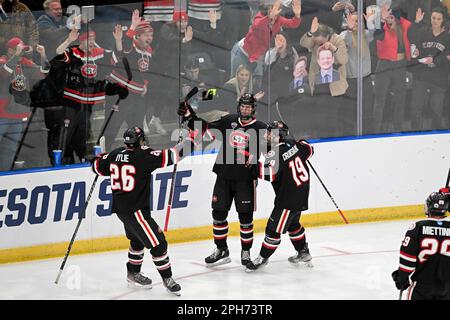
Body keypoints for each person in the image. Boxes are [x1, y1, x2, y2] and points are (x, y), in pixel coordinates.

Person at [91, 126, 198, 295]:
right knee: (159, 243)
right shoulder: (143, 156)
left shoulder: (114, 154)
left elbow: (96, 167)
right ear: (140, 140)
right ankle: (167, 278)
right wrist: (191, 141)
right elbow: (173, 156)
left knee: (137, 240)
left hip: (121, 209)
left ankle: (133, 272)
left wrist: (98, 156)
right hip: (136, 210)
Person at [178, 93, 267, 267]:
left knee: (245, 218)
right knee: (218, 214)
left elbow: (271, 149)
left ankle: (246, 251)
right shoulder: (229, 121)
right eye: (243, 106)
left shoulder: (261, 127)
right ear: (238, 107)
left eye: (248, 107)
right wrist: (189, 116)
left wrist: (254, 155)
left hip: (245, 180)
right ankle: (221, 249)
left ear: (254, 109)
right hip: (224, 176)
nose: (245, 109)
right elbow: (206, 129)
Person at [51, 24, 126, 164]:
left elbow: (118, 56)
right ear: (81, 40)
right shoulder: (73, 52)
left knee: (83, 134)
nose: (91, 42)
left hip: (87, 104)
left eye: (93, 39)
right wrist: (68, 39)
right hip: (71, 102)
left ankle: (84, 160)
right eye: (88, 39)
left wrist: (118, 39)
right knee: (67, 134)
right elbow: (58, 53)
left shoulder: (99, 53)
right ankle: (61, 161)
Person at [245, 121, 314, 271]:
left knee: (272, 230)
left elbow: (266, 173)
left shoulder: (276, 154)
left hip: (287, 199)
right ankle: (303, 252)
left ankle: (262, 259)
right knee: (293, 225)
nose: (266, 134)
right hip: (300, 193)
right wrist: (297, 142)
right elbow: (309, 148)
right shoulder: (292, 144)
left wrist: (251, 162)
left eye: (270, 133)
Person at [105, 11, 158, 149]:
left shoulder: (149, 50)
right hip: (119, 94)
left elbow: (147, 71)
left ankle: (142, 154)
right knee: (111, 128)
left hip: (136, 96)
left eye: (151, 35)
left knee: (138, 129)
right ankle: (102, 156)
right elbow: (123, 48)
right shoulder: (131, 46)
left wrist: (145, 84)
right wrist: (133, 27)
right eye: (146, 35)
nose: (150, 38)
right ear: (137, 36)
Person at [0, 37, 50, 170]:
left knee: (10, 149)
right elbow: (4, 73)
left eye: (22, 49)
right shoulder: (3, 60)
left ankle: (4, 177)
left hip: (18, 114)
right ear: (10, 50)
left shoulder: (23, 61)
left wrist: (43, 55)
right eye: (18, 49)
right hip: (2, 115)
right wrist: (16, 56)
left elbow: (43, 73)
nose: (22, 52)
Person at [392, 190, 450, 300]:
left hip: (422, 286)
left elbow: (408, 257)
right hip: (447, 287)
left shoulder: (418, 227)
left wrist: (402, 277)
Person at [408, 7, 450, 131]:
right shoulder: (423, 32)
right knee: (416, 107)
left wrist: (435, 60)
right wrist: (416, 52)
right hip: (422, 76)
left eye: (438, 19)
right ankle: (414, 133)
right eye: (433, 18)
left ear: (443, 20)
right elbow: (411, 37)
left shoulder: (447, 37)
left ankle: (436, 135)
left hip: (439, 79)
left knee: (436, 108)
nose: (435, 21)